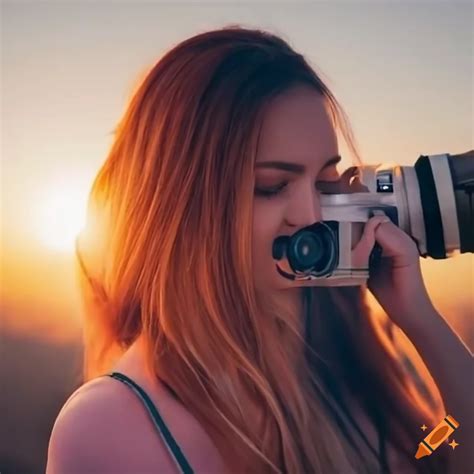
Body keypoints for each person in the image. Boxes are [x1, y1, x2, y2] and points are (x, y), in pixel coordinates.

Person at [46, 26, 472, 474]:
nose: (310, 213)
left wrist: (422, 321)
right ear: (182, 200)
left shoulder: (339, 357)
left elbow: (455, 441)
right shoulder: (108, 429)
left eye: (324, 180)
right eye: (271, 187)